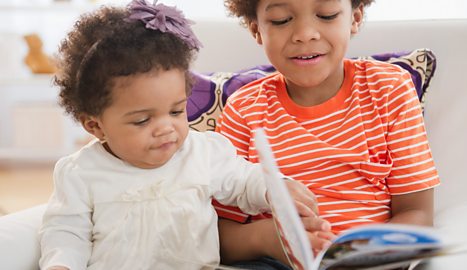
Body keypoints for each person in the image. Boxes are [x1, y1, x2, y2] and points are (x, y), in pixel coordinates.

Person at [38, 1, 323, 270]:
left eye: (176, 111)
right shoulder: (80, 172)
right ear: (95, 126)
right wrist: (61, 263)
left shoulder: (202, 152)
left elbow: (244, 180)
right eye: (142, 120)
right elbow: (65, 232)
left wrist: (274, 188)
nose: (166, 128)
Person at [215, 0, 440, 268]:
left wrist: (360, 255)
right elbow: (218, 234)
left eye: (327, 15)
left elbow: (417, 212)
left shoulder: (390, 89)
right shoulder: (243, 109)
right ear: (256, 30)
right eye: (281, 20)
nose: (305, 33)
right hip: (272, 261)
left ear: (355, 18)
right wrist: (268, 239)